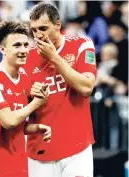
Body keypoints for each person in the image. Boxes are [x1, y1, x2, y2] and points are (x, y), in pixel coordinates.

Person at [0, 21, 51, 177]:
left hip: (15, 164)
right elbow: (9, 121)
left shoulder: (26, 79)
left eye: (26, 45)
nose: (23, 50)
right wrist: (36, 103)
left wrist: (36, 128)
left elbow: (18, 125)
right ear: (2, 49)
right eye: (17, 45)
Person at [23, 2, 97, 177]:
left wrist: (54, 58)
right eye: (34, 30)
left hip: (77, 149)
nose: (38, 35)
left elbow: (86, 87)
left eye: (43, 28)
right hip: (40, 152)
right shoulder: (26, 57)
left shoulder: (81, 45)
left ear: (58, 25)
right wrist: (28, 93)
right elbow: (18, 102)